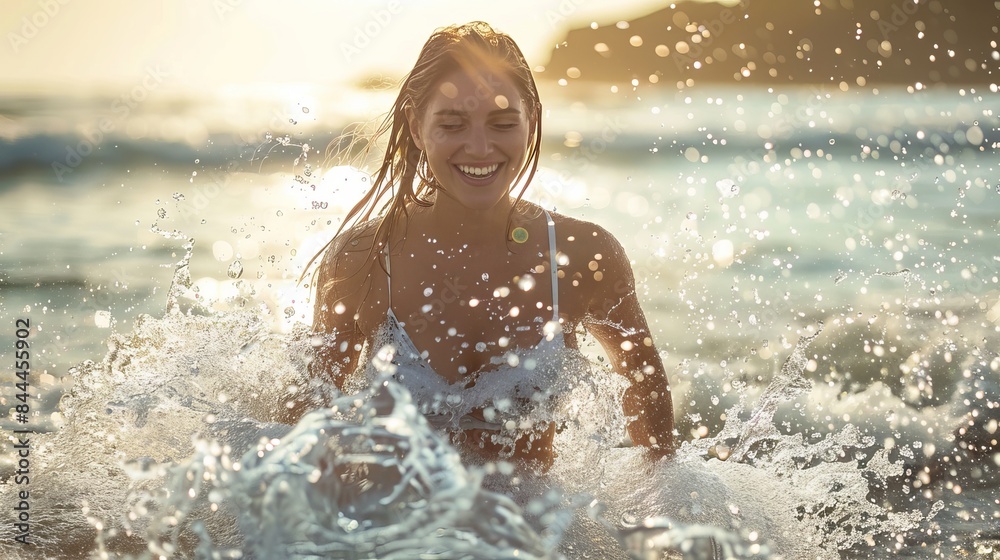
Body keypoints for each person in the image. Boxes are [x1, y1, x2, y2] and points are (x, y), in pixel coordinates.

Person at [305, 21, 674, 472]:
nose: (479, 148)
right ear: (416, 128)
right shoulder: (361, 261)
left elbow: (654, 428)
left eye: (502, 123)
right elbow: (299, 433)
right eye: (452, 124)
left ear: (531, 121)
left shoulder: (582, 256)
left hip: (529, 534)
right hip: (390, 533)